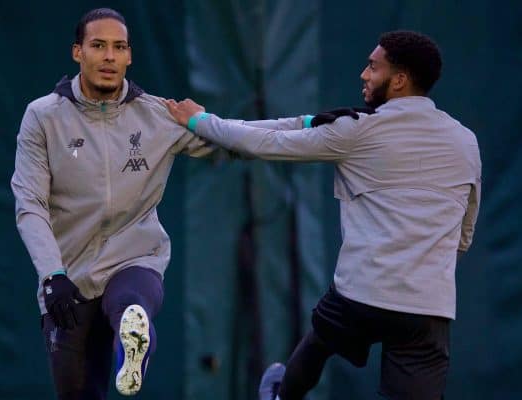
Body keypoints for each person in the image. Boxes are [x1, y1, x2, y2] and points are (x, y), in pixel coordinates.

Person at [165, 30, 482, 400]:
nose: (364, 74)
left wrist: (199, 122)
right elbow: (465, 232)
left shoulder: (356, 131)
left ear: (399, 80)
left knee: (321, 337)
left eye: (373, 67)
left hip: (363, 293)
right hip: (428, 305)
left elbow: (268, 143)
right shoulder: (466, 141)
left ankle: (282, 395)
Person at [10, 8, 218, 399]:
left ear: (129, 57)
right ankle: (126, 343)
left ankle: (131, 342)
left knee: (131, 303)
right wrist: (52, 274)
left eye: (119, 47)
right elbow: (30, 204)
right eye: (98, 46)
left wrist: (309, 127)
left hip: (134, 256)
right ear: (78, 53)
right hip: (68, 280)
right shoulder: (42, 117)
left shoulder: (160, 115)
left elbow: (239, 140)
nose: (109, 57)